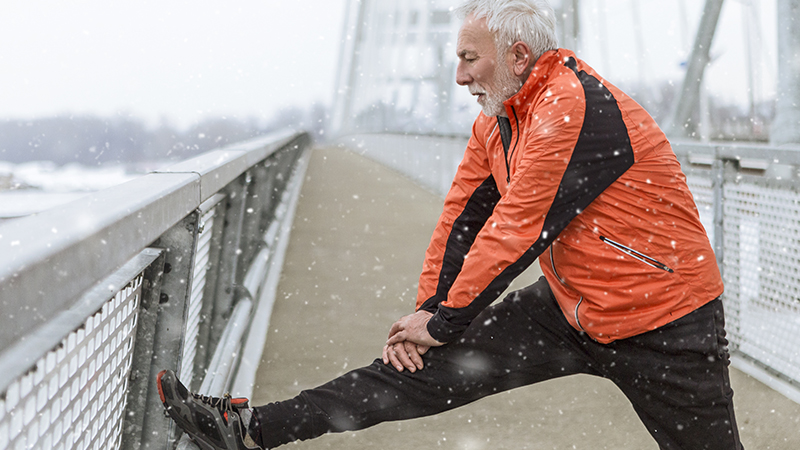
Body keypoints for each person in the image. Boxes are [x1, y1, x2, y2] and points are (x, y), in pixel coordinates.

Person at [157, 1, 743, 448]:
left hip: (666, 322)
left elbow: (517, 230)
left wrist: (446, 321)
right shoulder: (499, 119)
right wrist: (429, 311)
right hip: (573, 307)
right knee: (414, 372)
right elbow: (462, 218)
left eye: (470, 58)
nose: (460, 77)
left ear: (517, 56)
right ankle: (249, 428)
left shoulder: (573, 110)